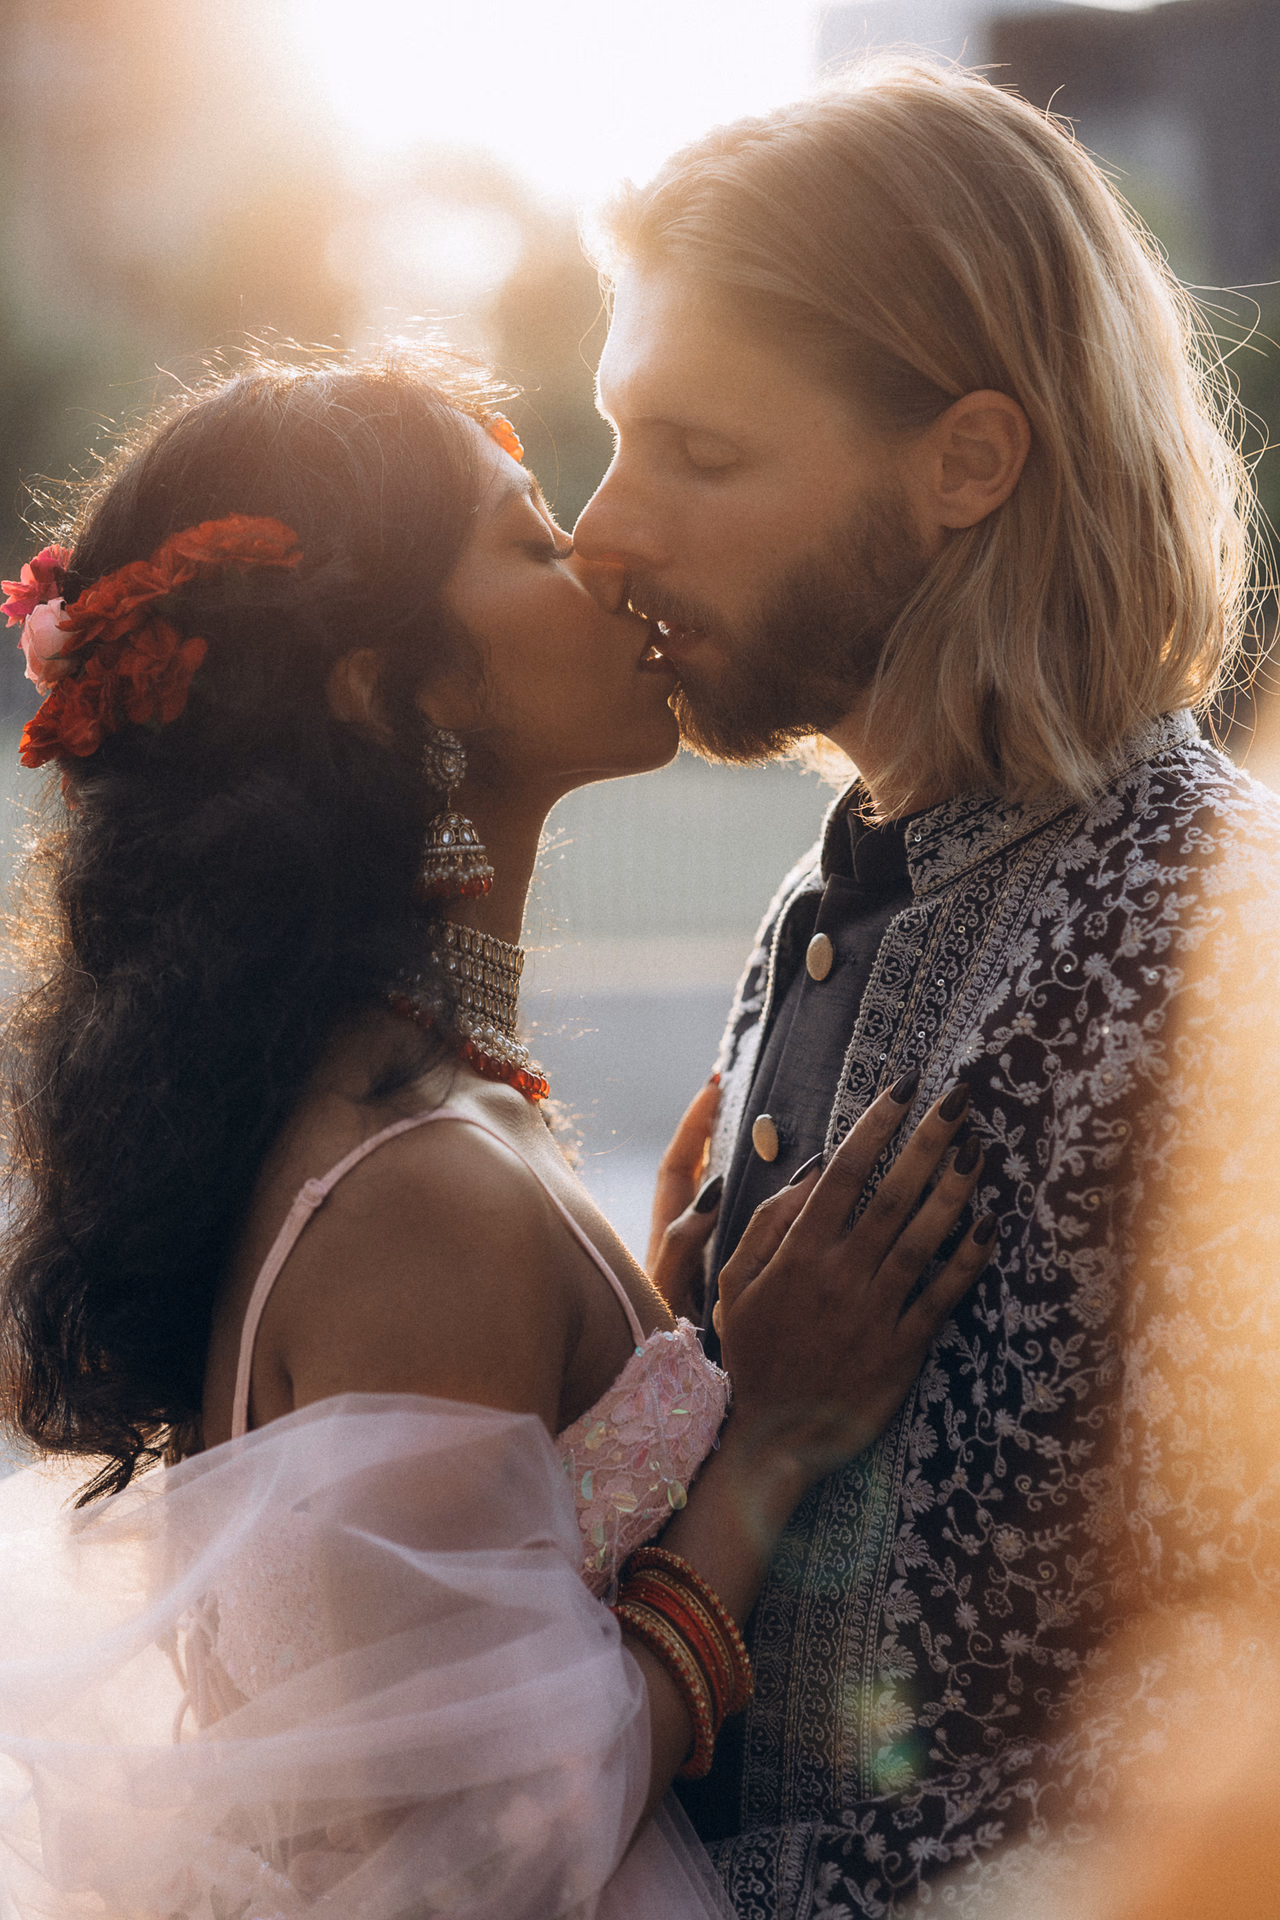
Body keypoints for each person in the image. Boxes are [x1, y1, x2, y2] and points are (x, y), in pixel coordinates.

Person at [0, 351, 998, 1920]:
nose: (603, 554)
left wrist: (658, 1340)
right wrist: (770, 1445)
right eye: (533, 539)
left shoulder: (396, 1112)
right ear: (393, 691)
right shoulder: (415, 1192)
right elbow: (481, 1855)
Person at [572, 56, 1280, 1919]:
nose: (601, 529)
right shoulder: (831, 898)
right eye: (618, 436)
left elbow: (1236, 1695)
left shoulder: (1222, 934)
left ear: (967, 461)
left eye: (700, 452)